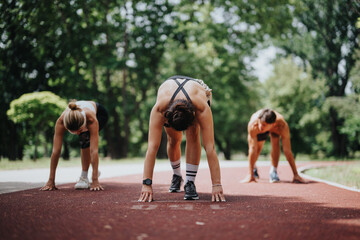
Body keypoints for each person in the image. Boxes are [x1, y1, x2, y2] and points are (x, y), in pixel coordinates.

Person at [138, 75, 225, 202]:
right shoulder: (160, 109)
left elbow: (210, 147)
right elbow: (152, 148)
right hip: (170, 92)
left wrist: (217, 184)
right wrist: (146, 184)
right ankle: (177, 175)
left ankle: (190, 182)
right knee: (173, 139)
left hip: (196, 91)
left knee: (193, 133)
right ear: (167, 116)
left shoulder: (201, 107)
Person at [40, 100, 108, 191]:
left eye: (79, 130)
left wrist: (95, 180)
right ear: (66, 127)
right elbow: (56, 151)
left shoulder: (91, 119)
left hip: (100, 113)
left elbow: (94, 151)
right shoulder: (61, 122)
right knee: (84, 138)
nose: (77, 133)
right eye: (73, 132)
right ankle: (93, 170)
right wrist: (50, 181)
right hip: (78, 117)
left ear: (84, 123)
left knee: (85, 139)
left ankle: (85, 176)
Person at [242, 109, 306, 183]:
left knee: (276, 142)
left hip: (275, 129)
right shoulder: (254, 125)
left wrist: (296, 174)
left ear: (273, 124)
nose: (261, 126)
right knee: (257, 149)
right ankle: (253, 170)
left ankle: (273, 171)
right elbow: (252, 148)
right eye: (260, 123)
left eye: (264, 125)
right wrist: (250, 175)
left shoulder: (281, 125)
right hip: (258, 128)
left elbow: (287, 150)